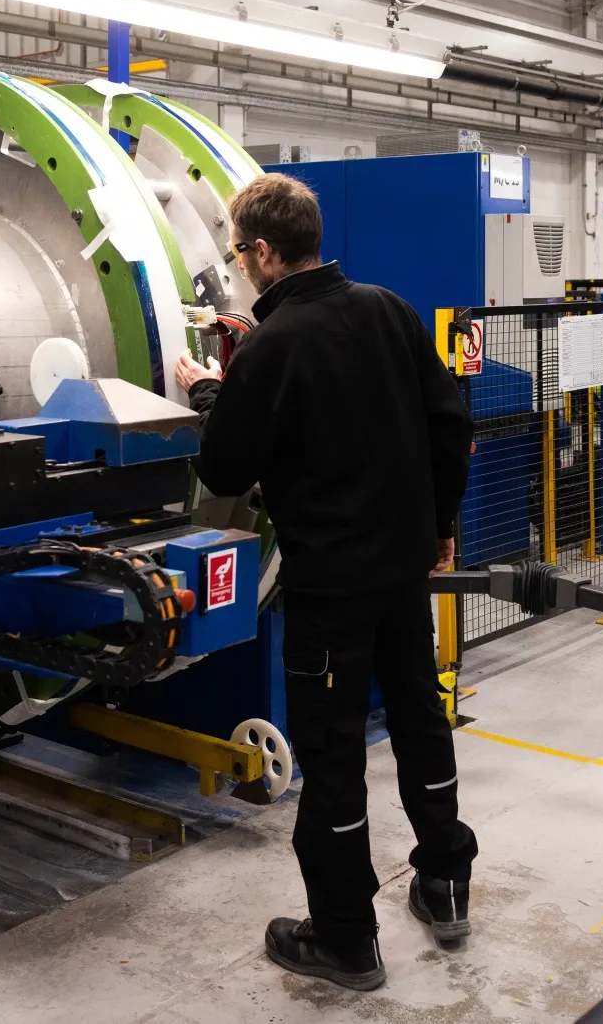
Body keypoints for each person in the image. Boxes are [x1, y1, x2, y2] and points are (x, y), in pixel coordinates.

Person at [173, 172, 476, 993]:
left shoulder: (274, 347)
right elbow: (452, 424)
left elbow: (226, 463)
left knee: (335, 756)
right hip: (404, 571)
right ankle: (445, 883)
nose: (238, 264)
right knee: (420, 721)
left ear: (265, 252)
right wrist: (441, 522)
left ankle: (346, 939)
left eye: (239, 251)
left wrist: (207, 392)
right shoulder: (388, 309)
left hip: (331, 588)